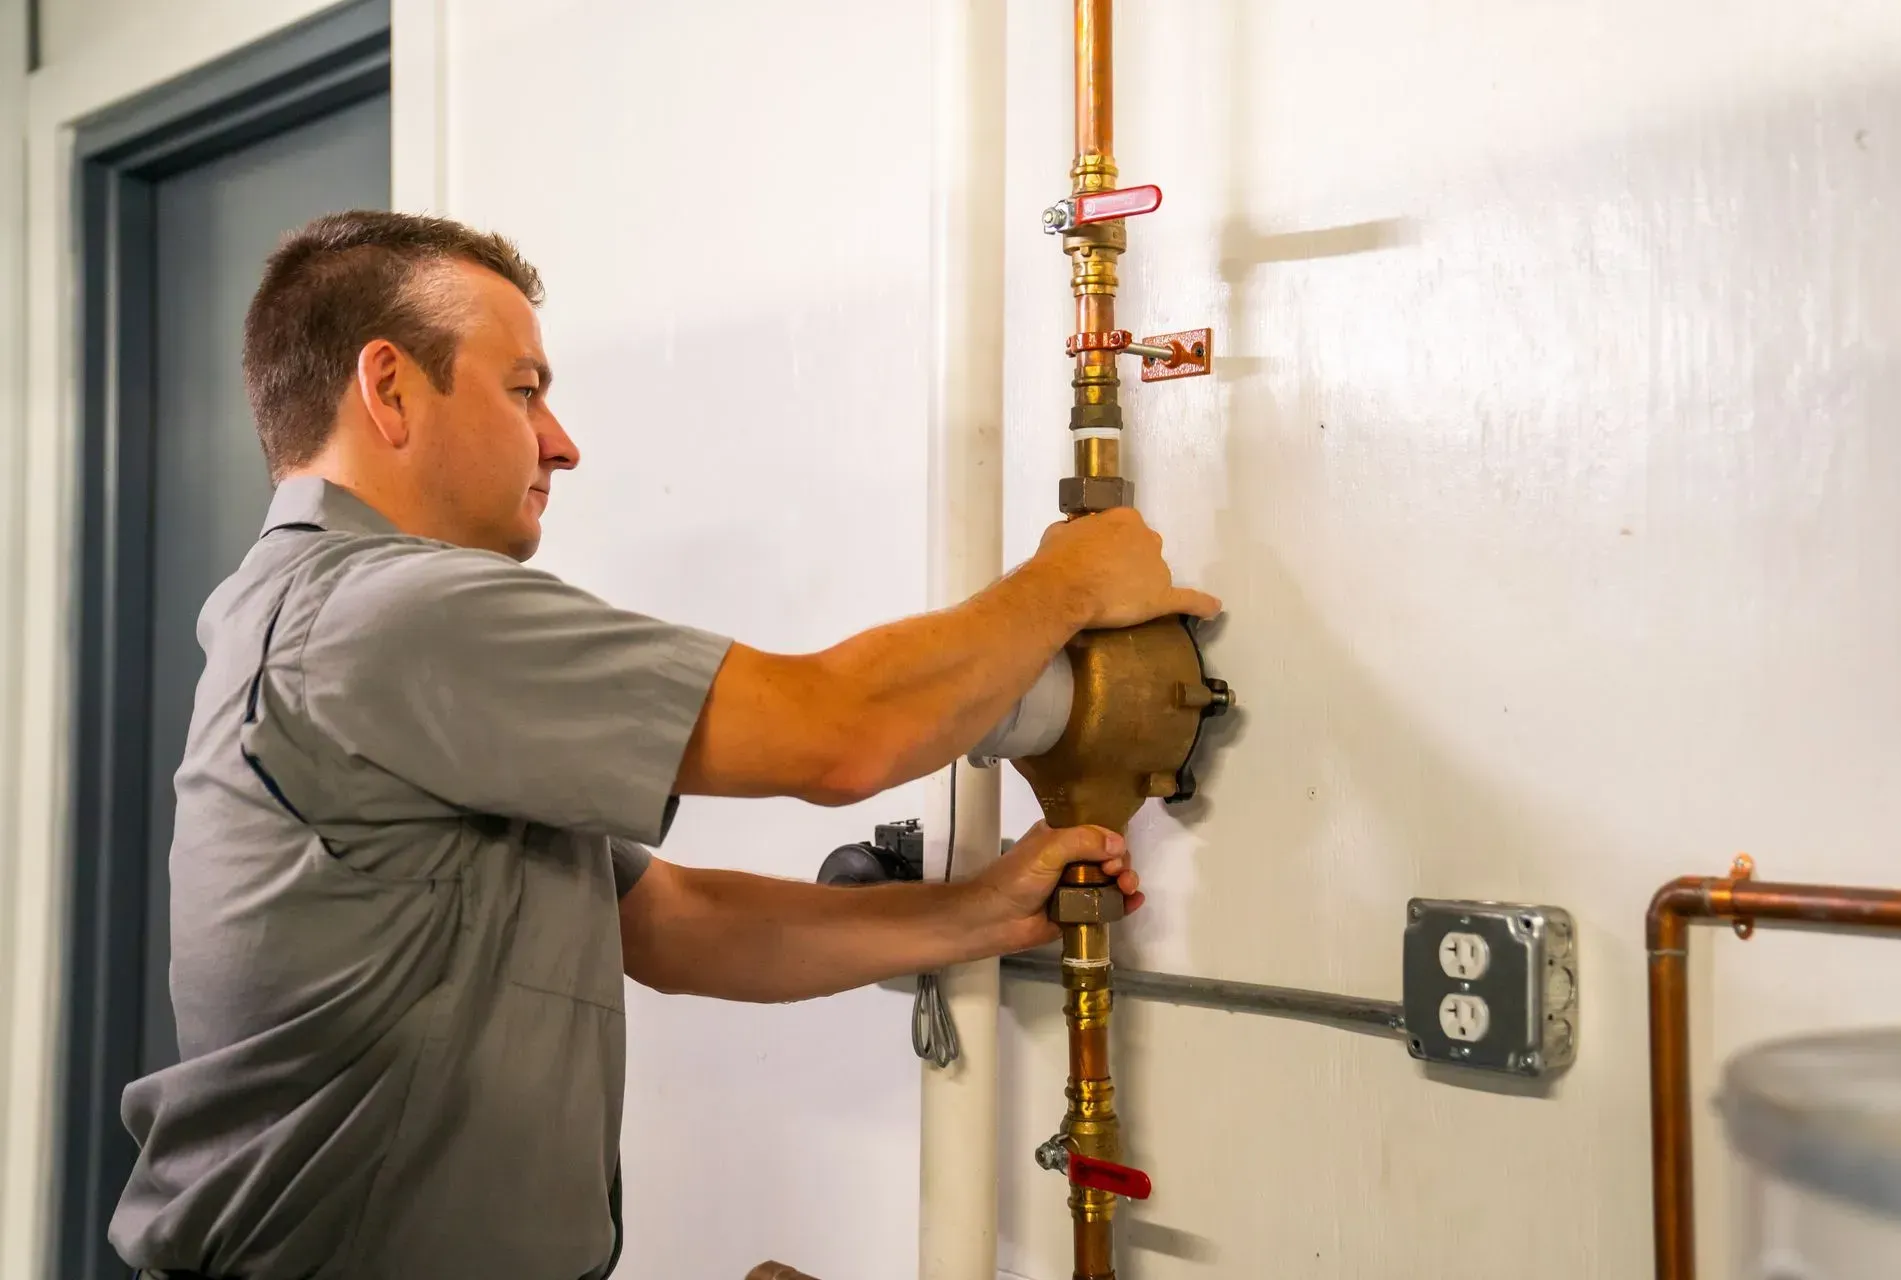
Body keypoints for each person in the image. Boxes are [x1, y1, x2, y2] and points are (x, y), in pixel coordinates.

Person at [109, 211, 1221, 1280]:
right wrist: (1071, 577)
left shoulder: (329, 623)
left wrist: (974, 910)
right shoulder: (383, 615)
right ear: (390, 387)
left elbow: (672, 923)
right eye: (524, 389)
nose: (562, 441)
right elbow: (838, 735)